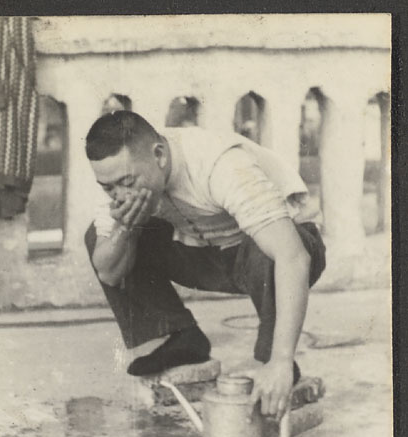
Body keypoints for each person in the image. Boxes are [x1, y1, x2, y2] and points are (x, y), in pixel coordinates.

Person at [84, 111, 326, 421]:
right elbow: (109, 272)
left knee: (269, 247)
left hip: (279, 250)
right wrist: (126, 227)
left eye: (127, 183)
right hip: (207, 252)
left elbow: (293, 257)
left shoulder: (219, 164)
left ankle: (273, 361)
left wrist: (281, 361)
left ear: (158, 155)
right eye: (109, 188)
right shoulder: (116, 174)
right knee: (101, 237)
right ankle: (181, 338)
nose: (119, 194)